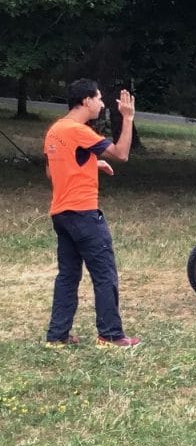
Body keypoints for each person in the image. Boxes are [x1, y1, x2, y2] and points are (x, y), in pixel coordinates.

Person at [43, 78, 141, 347]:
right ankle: (110, 335)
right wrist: (128, 118)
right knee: (104, 274)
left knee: (67, 276)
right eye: (98, 98)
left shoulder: (55, 130)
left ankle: (57, 336)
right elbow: (121, 154)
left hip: (61, 214)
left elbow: (53, 170)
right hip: (83, 213)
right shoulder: (79, 131)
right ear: (86, 100)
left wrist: (91, 164)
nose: (101, 104)